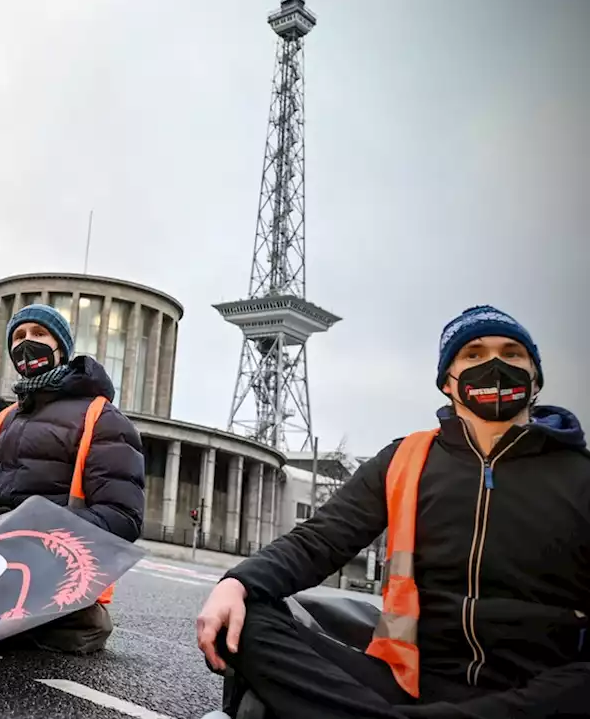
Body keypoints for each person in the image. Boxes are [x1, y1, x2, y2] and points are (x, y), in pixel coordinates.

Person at [196, 305, 590, 719]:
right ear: (447, 382)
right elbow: (320, 540)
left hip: (531, 694)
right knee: (244, 621)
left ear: (536, 376)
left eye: (512, 353)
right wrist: (237, 583)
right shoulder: (405, 459)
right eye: (473, 354)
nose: (494, 364)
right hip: (410, 682)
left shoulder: (579, 475)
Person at [0, 303, 146, 654]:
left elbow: (121, 517)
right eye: (19, 336)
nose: (27, 344)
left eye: (39, 334)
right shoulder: (4, 420)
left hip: (60, 579)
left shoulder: (103, 418)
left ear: (62, 348)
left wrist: (29, 527)